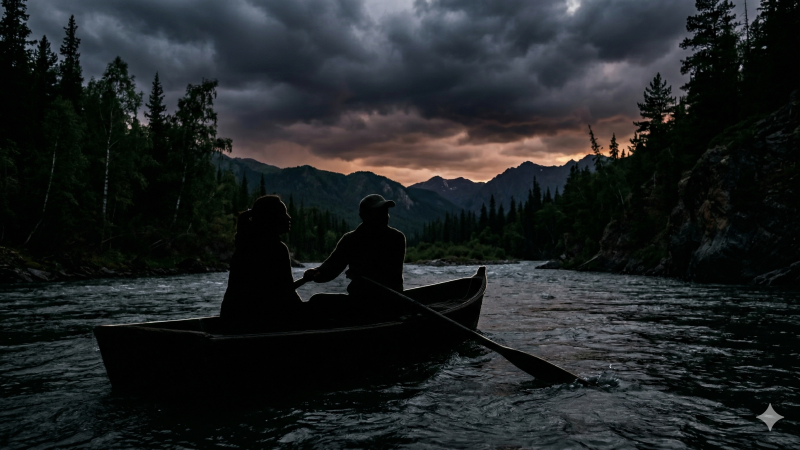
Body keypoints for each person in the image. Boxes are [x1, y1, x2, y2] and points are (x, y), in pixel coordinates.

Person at [302, 194, 406, 318]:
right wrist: (318, 272)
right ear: (364, 216)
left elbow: (393, 275)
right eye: (379, 212)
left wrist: (363, 274)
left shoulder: (396, 238)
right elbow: (332, 266)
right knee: (317, 301)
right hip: (360, 300)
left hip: (389, 301)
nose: (385, 215)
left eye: (386, 211)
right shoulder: (350, 240)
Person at [220, 195, 310, 331]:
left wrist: (304, 280)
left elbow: (271, 291)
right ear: (271, 219)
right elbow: (287, 294)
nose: (289, 217)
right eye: (284, 213)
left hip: (231, 320)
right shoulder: (277, 249)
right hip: (259, 323)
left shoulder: (244, 245)